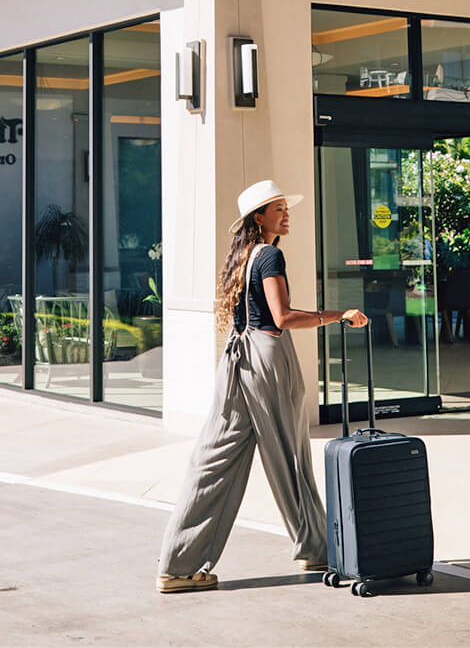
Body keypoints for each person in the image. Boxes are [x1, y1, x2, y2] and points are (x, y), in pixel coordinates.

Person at [156, 179, 369, 593]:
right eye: (277, 209)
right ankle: (315, 545)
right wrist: (340, 314)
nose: (285, 214)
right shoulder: (269, 255)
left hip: (237, 361)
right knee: (289, 454)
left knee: (213, 458)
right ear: (259, 217)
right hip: (267, 357)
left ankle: (177, 563)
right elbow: (283, 317)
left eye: (285, 208)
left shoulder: (244, 256)